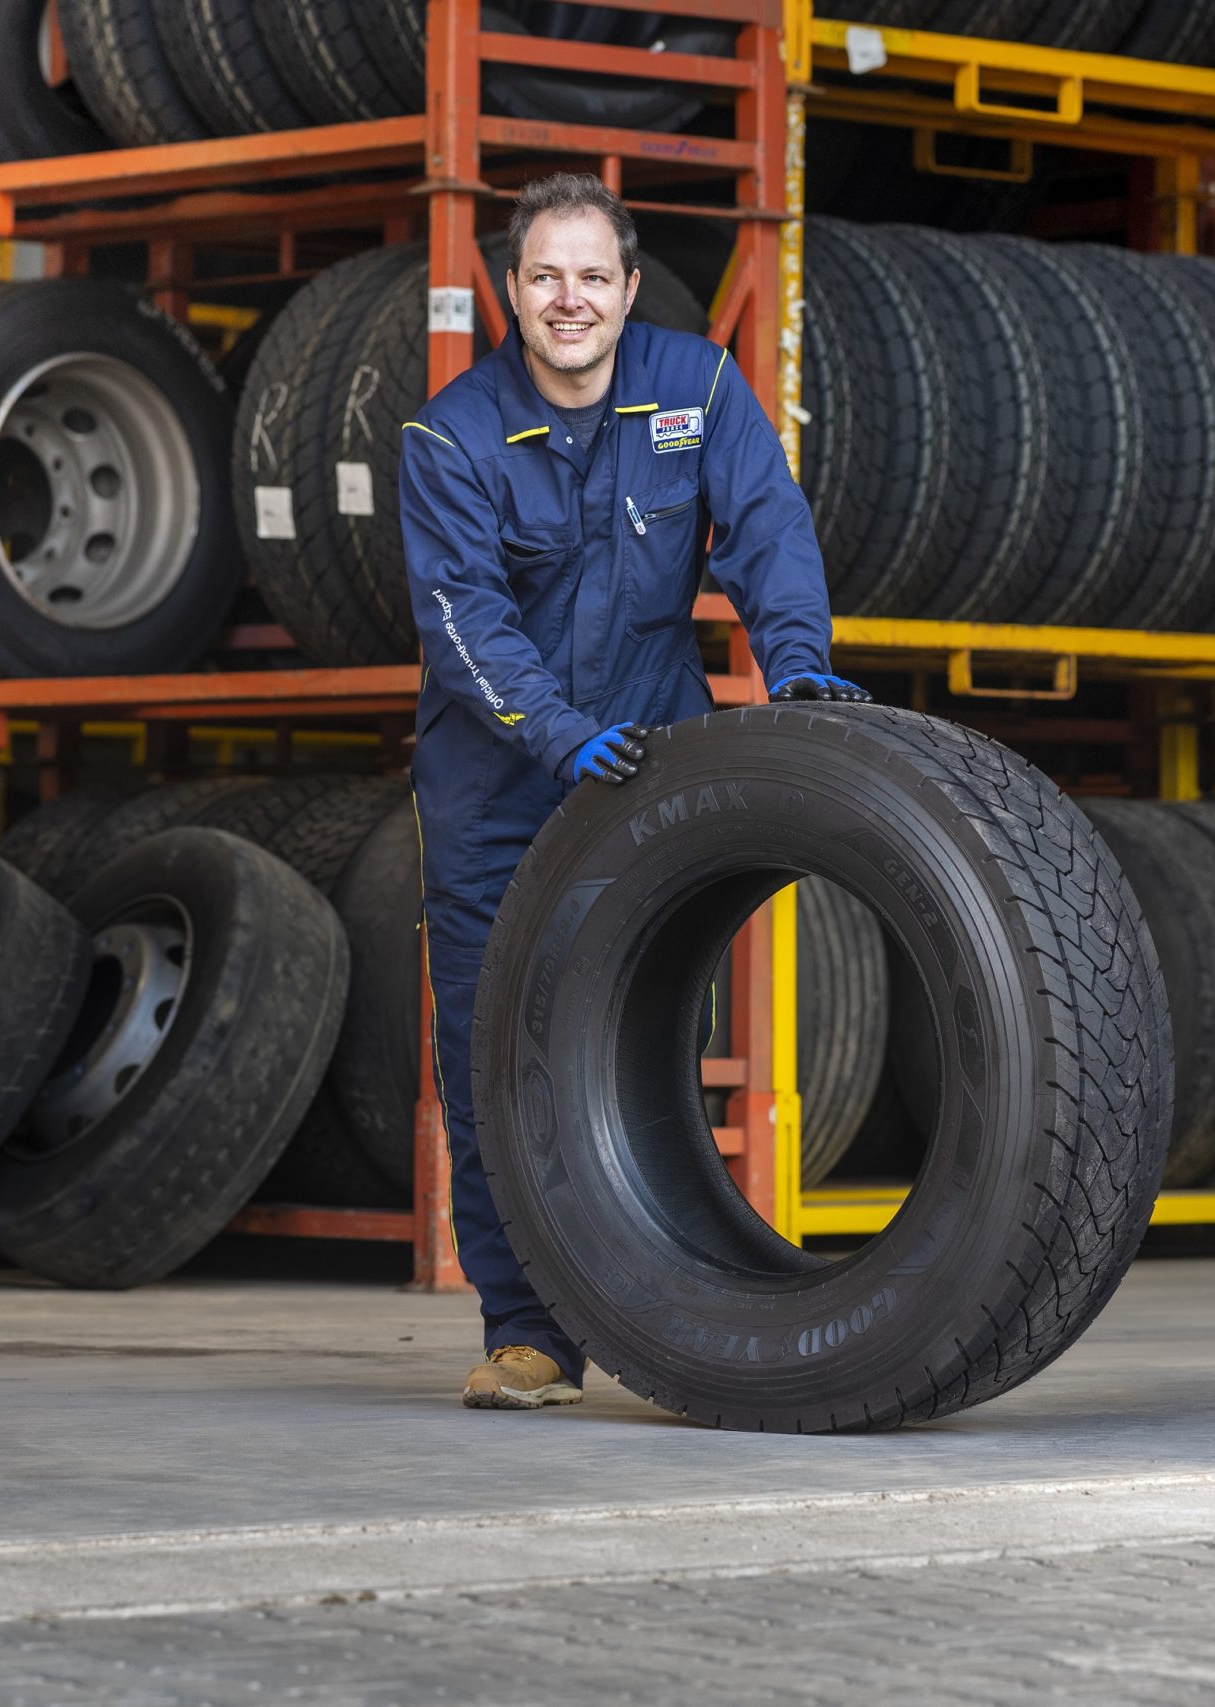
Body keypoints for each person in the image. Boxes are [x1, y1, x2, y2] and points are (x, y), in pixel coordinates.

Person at [397, 173, 869, 1411]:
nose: (570, 300)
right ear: (513, 290)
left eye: (592, 276)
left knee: (641, 1038)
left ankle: (662, 1308)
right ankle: (529, 1333)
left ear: (628, 286)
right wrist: (556, 733)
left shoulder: (695, 386)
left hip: (649, 769)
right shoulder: (452, 434)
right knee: (492, 1052)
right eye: (546, 276)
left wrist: (800, 668)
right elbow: (463, 624)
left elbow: (766, 528)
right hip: (498, 783)